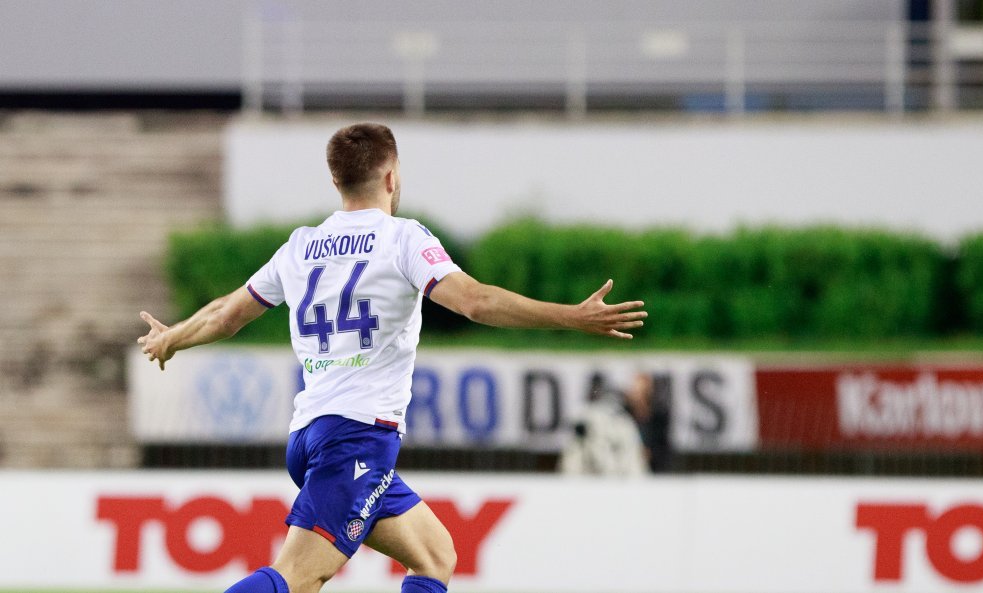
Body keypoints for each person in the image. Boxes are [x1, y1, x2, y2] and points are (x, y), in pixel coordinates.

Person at [137, 122, 647, 593]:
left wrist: (173, 338)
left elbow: (227, 313)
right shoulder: (403, 238)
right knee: (298, 577)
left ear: (336, 181)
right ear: (391, 177)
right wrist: (570, 317)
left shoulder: (301, 246)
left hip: (313, 433)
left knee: (435, 555)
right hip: (356, 436)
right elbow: (474, 301)